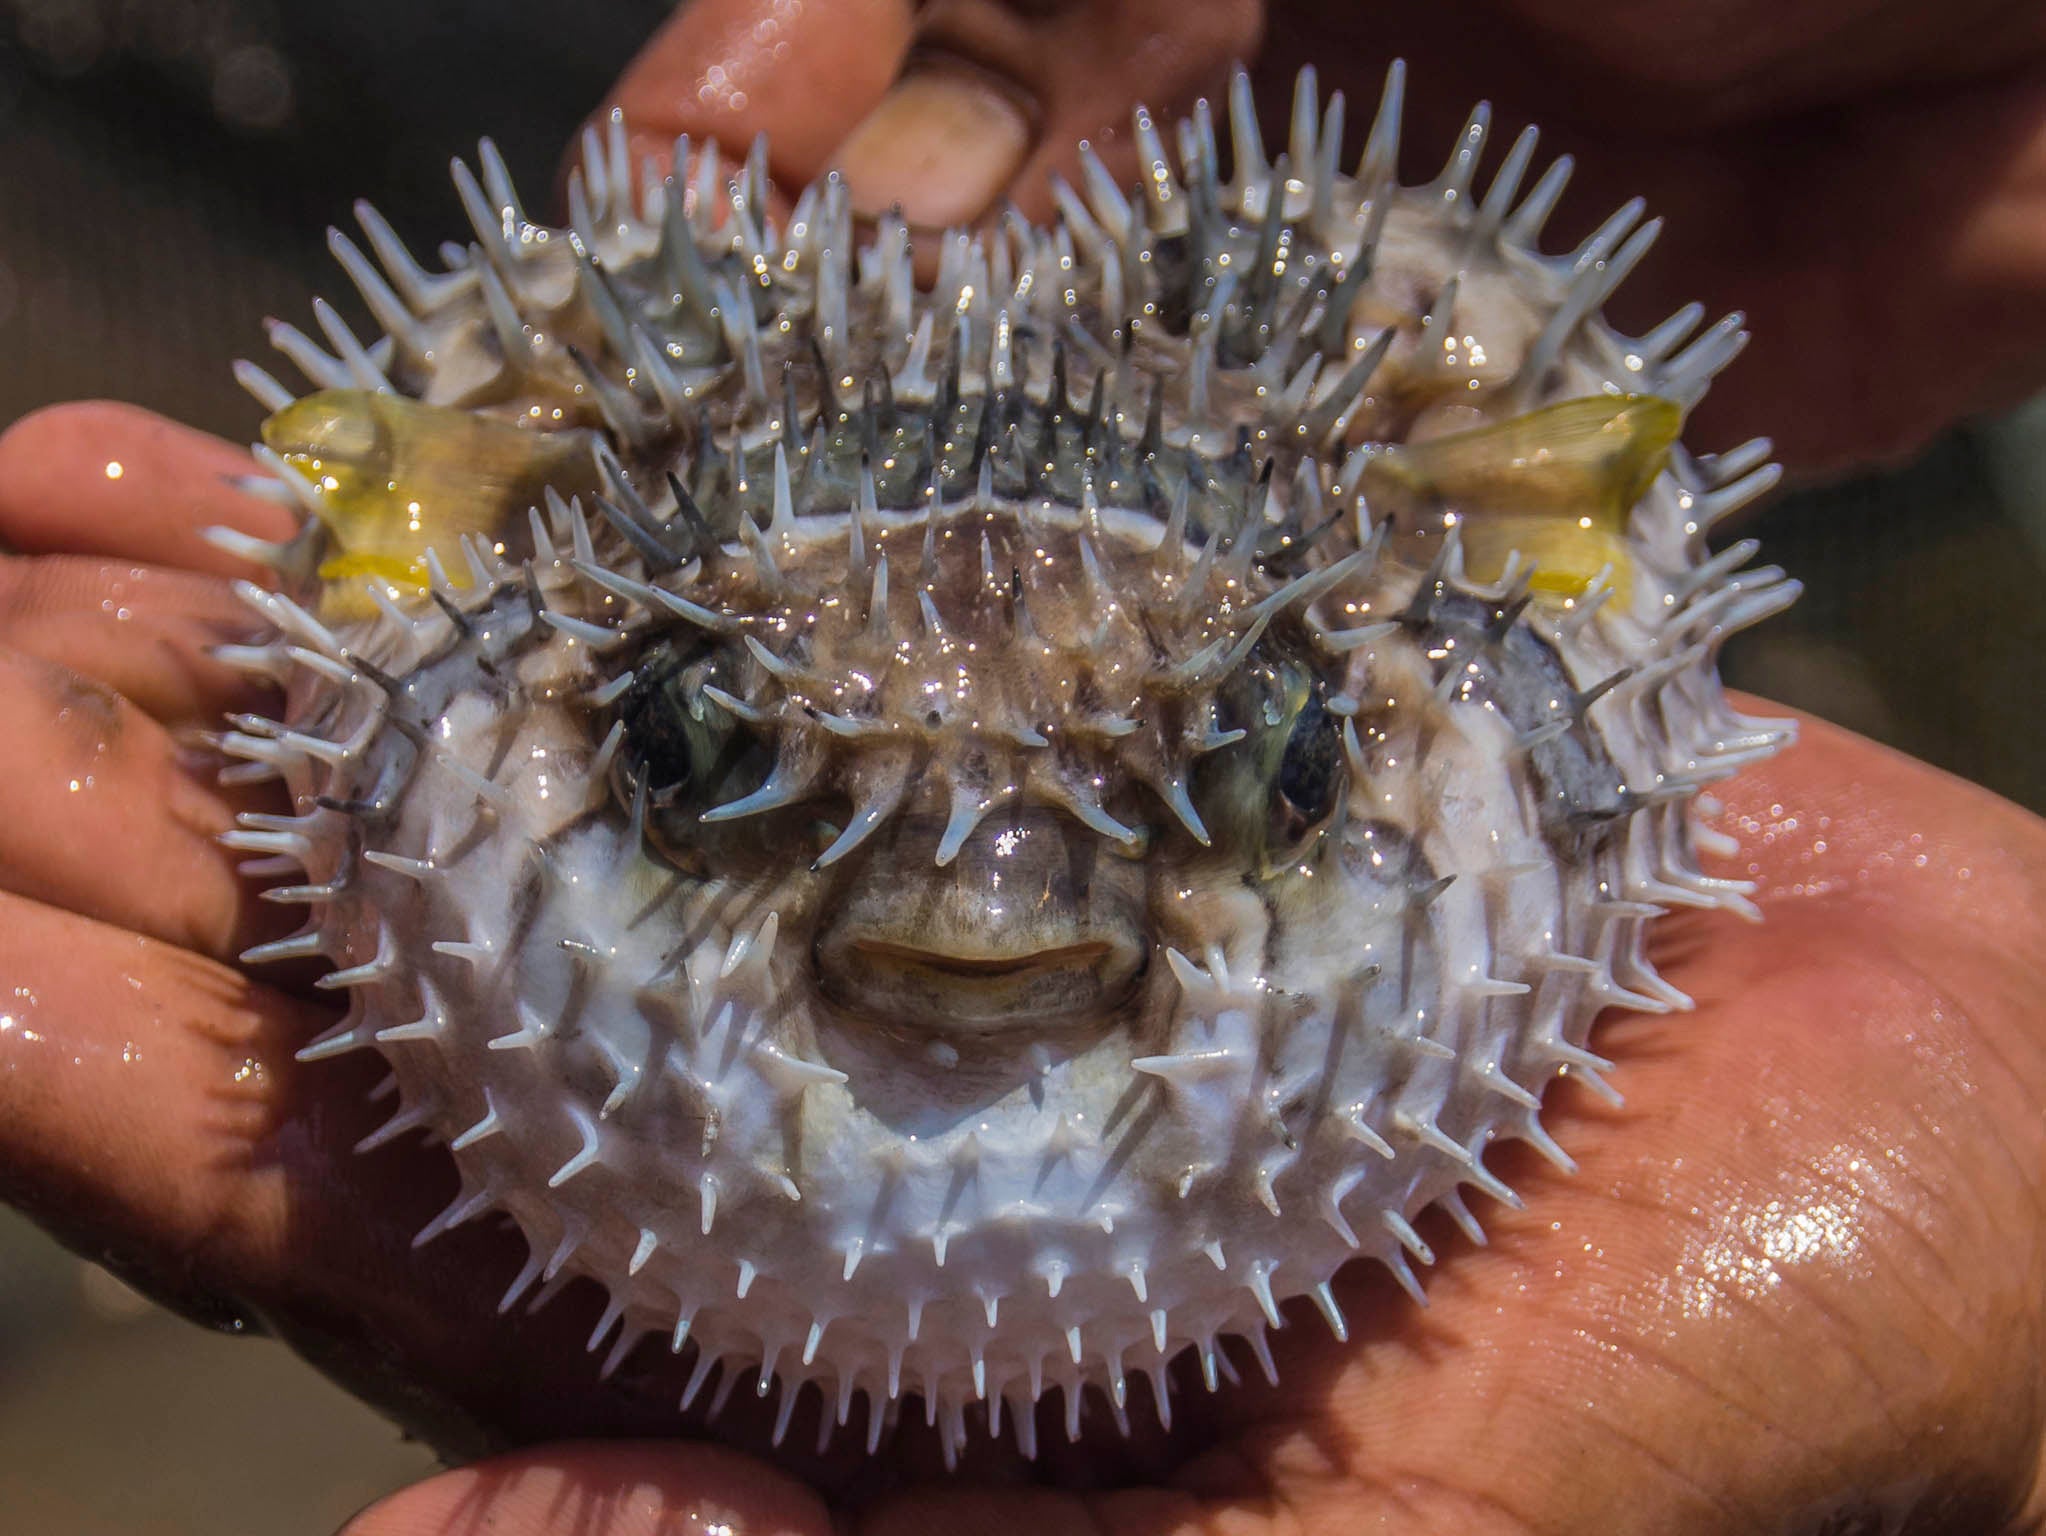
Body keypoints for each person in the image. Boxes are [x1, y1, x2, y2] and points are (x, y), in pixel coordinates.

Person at [0, 1, 2043, 1530]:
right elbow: (374, 514)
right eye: (708, 751)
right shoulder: (465, 631)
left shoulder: (1490, 616)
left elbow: (1591, 477)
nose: (986, 908)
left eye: (1263, 771)